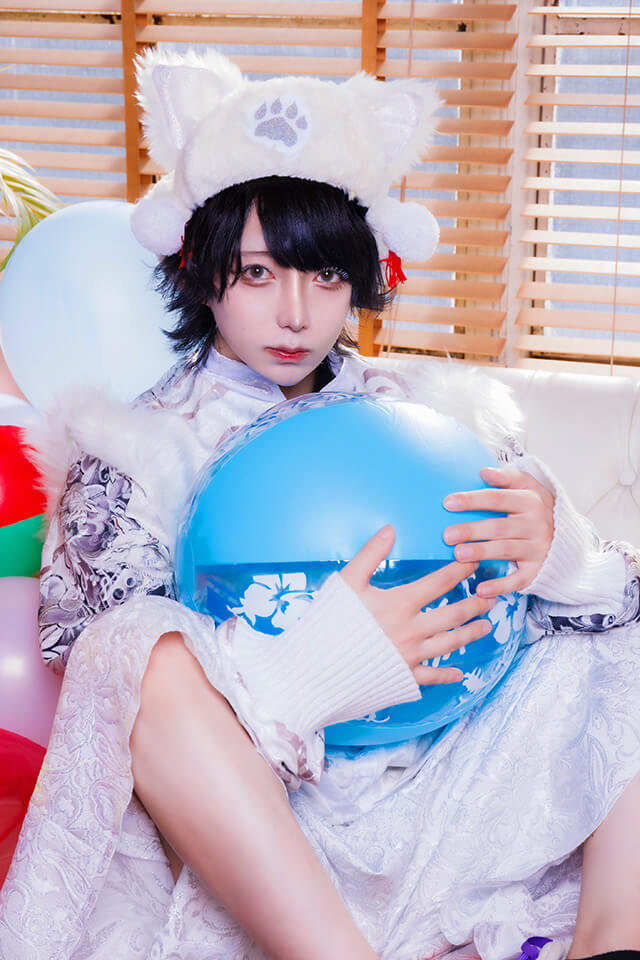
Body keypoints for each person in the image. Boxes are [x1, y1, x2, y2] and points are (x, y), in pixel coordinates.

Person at [1, 47, 640, 960]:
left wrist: (561, 555)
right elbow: (105, 695)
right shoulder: (132, 447)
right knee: (130, 650)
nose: (297, 314)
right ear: (203, 270)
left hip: (442, 779)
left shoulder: (423, 417)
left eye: (327, 279)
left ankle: (612, 939)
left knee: (615, 621)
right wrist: (312, 668)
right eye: (259, 274)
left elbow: (594, 608)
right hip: (265, 825)